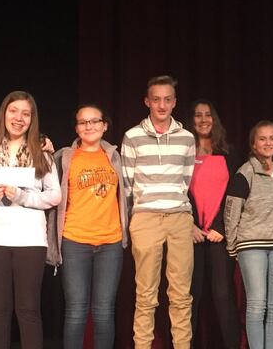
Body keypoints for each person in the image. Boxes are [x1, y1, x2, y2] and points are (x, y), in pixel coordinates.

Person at [0, 91, 61, 349]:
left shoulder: (41, 151)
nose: (19, 118)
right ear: (4, 114)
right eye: (13, 111)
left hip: (30, 238)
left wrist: (23, 197)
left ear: (32, 119)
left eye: (26, 113)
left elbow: (55, 195)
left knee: (28, 309)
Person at [121, 75, 196, 349]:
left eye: (167, 99)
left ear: (174, 103)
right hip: (145, 218)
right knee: (146, 295)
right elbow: (127, 185)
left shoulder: (187, 138)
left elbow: (185, 180)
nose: (161, 105)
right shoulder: (132, 137)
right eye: (156, 99)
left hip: (178, 218)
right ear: (147, 102)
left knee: (180, 295)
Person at [47, 104, 129, 349]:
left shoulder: (115, 157)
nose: (89, 126)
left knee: (104, 311)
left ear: (105, 126)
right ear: (76, 128)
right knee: (76, 310)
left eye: (95, 121)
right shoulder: (64, 157)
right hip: (75, 241)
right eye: (83, 122)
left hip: (110, 243)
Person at [224, 120, 273, 349]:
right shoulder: (245, 172)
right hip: (251, 244)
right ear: (253, 143)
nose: (268, 142)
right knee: (256, 304)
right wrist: (232, 244)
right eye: (262, 138)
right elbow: (231, 210)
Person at [187, 100, 241, 349]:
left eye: (208, 115)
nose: (203, 119)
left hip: (221, 234)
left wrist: (221, 226)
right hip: (191, 234)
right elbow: (178, 191)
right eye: (198, 115)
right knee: (190, 296)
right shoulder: (184, 154)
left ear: (215, 119)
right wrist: (190, 225)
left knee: (223, 295)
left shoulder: (229, 153)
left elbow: (234, 194)